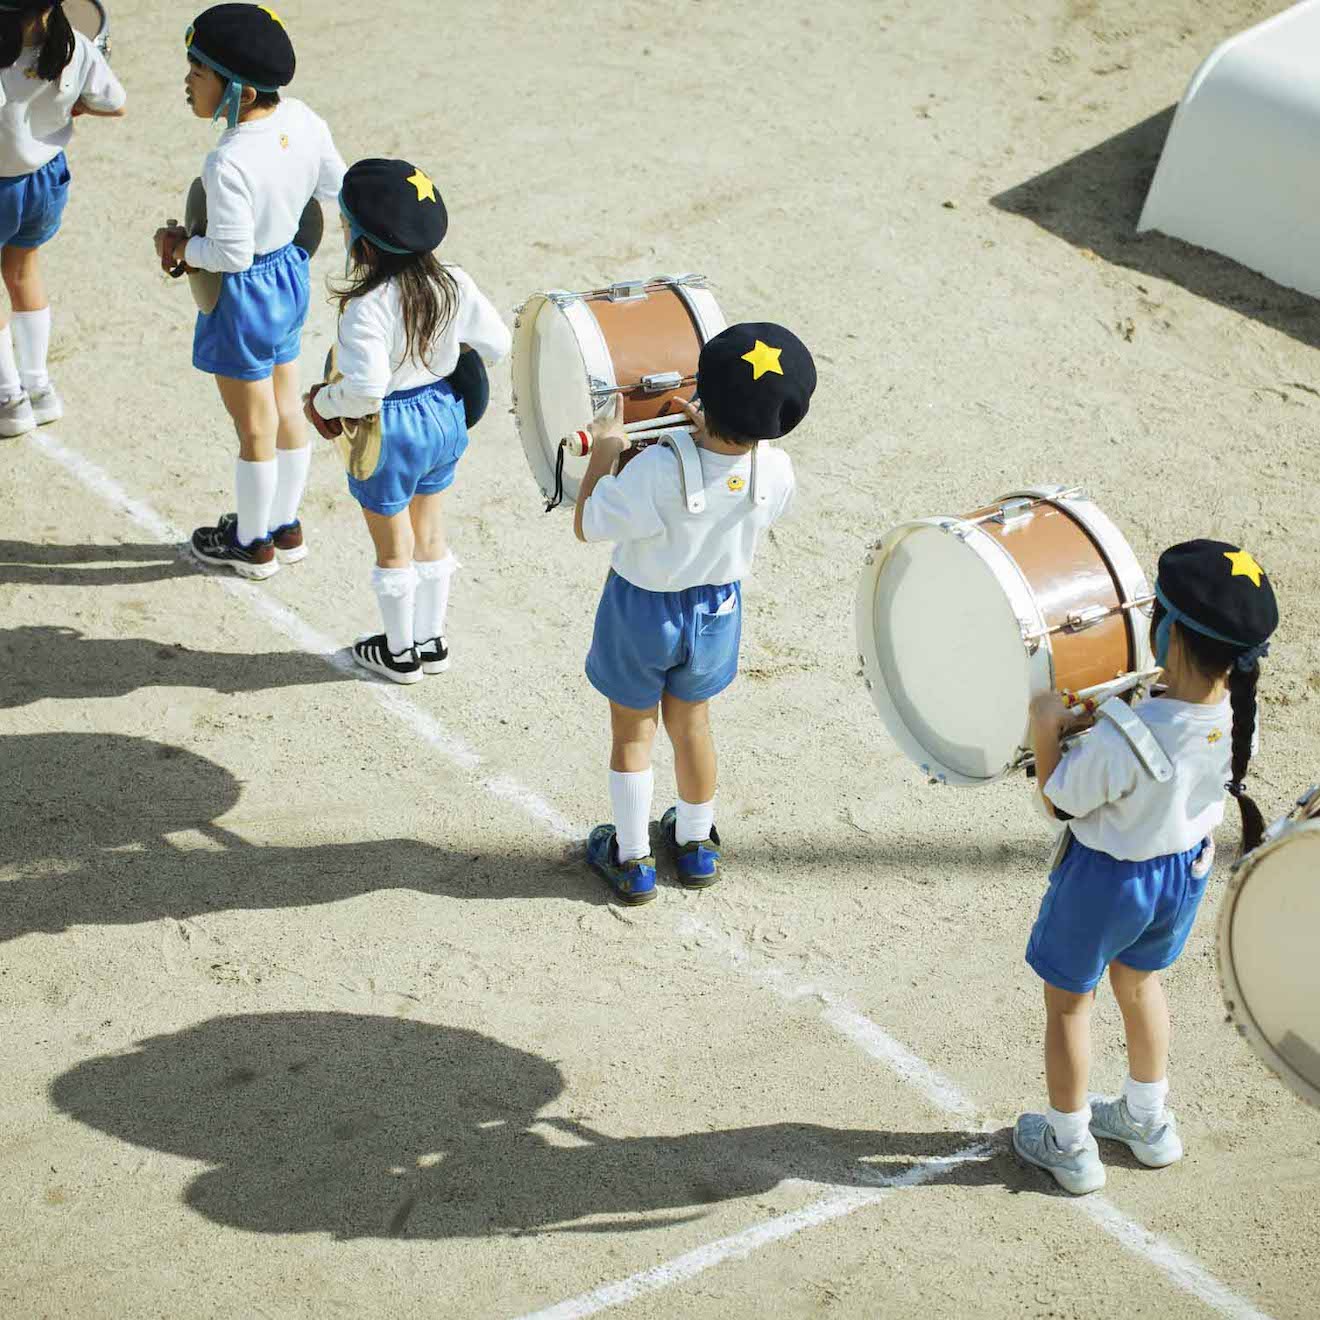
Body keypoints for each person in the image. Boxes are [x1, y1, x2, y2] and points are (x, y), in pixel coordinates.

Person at [1014, 539, 1279, 1194]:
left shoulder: (1125, 739)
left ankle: (1068, 1143)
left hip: (1107, 882)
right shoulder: (1235, 719)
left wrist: (1046, 728)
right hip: (1181, 876)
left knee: (1070, 1006)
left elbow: (1059, 801)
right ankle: (1147, 1120)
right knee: (1140, 986)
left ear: (1172, 635)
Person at [574, 323, 813, 904]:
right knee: (692, 726)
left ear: (701, 394)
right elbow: (734, 482)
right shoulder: (776, 471)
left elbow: (588, 524)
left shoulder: (654, 470)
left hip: (642, 610)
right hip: (717, 610)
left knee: (633, 733)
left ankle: (632, 859)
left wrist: (605, 456)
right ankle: (695, 840)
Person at [153, 4, 344, 579]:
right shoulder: (305, 118)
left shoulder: (228, 160)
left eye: (198, 71)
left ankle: (252, 543)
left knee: (253, 426)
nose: (188, 82)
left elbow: (230, 255)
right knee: (286, 407)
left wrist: (182, 247)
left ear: (235, 89)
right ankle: (285, 524)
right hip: (288, 276)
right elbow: (337, 185)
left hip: (242, 298)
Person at [303, 157, 510, 684]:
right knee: (430, 531)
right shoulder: (453, 282)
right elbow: (497, 345)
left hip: (389, 431)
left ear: (363, 243)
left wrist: (323, 404)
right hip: (444, 415)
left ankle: (398, 652)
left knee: (392, 544)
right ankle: (431, 639)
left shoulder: (366, 306)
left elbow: (366, 390)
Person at [0, 0, 125, 437]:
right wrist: (76, 106)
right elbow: (116, 104)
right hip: (46, 181)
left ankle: (9, 398)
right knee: (23, 271)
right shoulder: (79, 48)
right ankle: (40, 389)